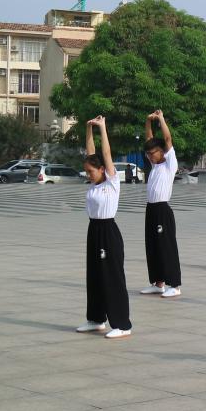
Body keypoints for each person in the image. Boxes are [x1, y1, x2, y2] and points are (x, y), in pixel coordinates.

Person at [76, 116, 131, 339]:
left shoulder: (112, 182)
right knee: (95, 276)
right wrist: (88, 129)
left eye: (91, 172)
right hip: (94, 230)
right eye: (87, 172)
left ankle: (122, 324)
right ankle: (96, 319)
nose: (88, 175)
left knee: (112, 277)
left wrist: (102, 128)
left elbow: (106, 154)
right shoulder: (95, 185)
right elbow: (91, 152)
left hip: (108, 232)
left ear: (102, 170)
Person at [138, 110, 182, 299]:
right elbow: (149, 139)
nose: (149, 156)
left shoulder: (169, 164)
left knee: (166, 246)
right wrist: (148, 121)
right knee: (153, 246)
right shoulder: (155, 166)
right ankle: (158, 283)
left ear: (162, 151)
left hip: (163, 210)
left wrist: (161, 119)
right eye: (147, 154)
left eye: (152, 153)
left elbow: (167, 138)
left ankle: (175, 284)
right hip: (151, 209)